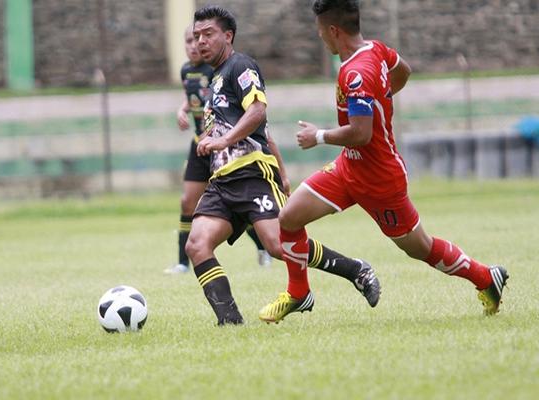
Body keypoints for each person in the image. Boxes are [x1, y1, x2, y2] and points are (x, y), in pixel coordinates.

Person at [259, 0, 508, 323]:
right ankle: (298, 293)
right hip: (349, 168)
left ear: (334, 31)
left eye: (321, 32)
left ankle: (486, 277)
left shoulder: (356, 74)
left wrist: (318, 136)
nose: (320, 37)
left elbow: (361, 134)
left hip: (380, 179)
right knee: (289, 217)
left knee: (419, 247)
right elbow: (403, 71)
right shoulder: (375, 50)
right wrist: (383, 95)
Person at [187, 5, 380, 326]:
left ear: (228, 36)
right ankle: (230, 322)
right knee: (197, 244)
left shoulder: (241, 66)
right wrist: (211, 136)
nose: (201, 41)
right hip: (221, 182)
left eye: (208, 34)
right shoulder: (216, 79)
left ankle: (355, 269)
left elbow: (258, 113)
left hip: (251, 173)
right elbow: (258, 129)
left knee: (278, 245)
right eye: (197, 36)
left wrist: (223, 142)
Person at [164, 25, 273, 275]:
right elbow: (193, 96)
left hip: (222, 146)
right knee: (187, 202)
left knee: (235, 204)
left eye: (198, 39)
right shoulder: (186, 71)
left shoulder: (217, 69)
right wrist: (182, 110)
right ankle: (182, 263)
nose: (194, 45)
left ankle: (263, 247)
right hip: (198, 144)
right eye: (189, 40)